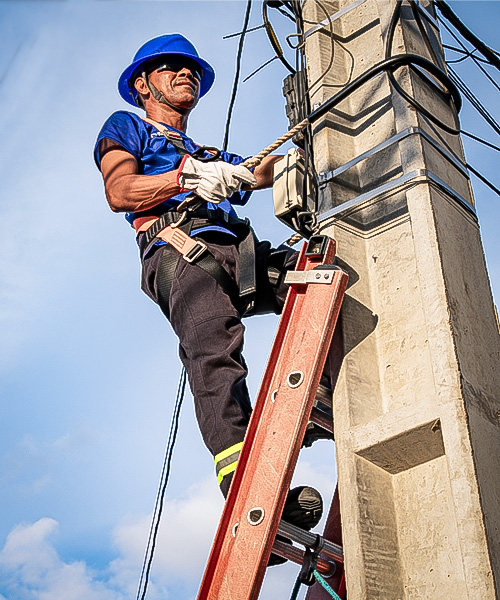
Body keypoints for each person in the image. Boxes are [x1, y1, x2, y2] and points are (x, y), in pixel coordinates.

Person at [94, 34, 323, 548]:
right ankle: (246, 487)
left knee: (322, 277)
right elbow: (119, 191)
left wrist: (309, 135)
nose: (185, 74)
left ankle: (319, 397)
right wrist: (186, 178)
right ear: (142, 83)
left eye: (191, 69)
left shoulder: (206, 151)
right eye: (170, 68)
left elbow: (257, 172)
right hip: (177, 251)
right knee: (215, 356)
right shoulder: (126, 127)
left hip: (234, 253)